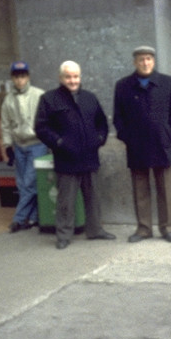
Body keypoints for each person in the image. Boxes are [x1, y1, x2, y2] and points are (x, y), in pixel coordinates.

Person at [34, 60, 116, 249]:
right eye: (68, 77)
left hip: (89, 157)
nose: (73, 80)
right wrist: (60, 143)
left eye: (76, 76)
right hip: (66, 159)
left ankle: (95, 230)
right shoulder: (49, 99)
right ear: (61, 78)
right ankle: (64, 235)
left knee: (93, 197)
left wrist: (100, 139)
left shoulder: (90, 98)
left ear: (80, 77)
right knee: (66, 201)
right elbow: (41, 127)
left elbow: (102, 122)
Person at [113, 45, 171, 243]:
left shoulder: (167, 83)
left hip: (161, 144)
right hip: (137, 146)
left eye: (149, 59)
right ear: (135, 62)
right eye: (141, 59)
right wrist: (127, 137)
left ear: (154, 61)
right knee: (140, 189)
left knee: (165, 190)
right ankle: (143, 228)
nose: (145, 63)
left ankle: (167, 228)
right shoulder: (123, 86)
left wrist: (168, 133)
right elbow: (118, 117)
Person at [0, 61, 46, 232]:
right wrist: (7, 145)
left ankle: (18, 219)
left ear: (28, 77)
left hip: (36, 144)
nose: (20, 80)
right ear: (12, 78)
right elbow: (5, 125)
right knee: (22, 184)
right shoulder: (8, 100)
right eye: (17, 77)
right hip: (19, 144)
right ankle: (33, 217)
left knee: (29, 183)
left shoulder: (39, 95)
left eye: (23, 76)